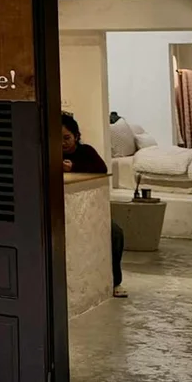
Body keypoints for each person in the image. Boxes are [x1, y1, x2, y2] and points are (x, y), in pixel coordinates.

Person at [61, 111, 127, 299]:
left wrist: (73, 168)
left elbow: (101, 168)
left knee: (115, 232)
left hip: (91, 208)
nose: (63, 143)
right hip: (66, 210)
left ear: (76, 136)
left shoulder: (86, 151)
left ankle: (116, 282)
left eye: (67, 138)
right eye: (58, 138)